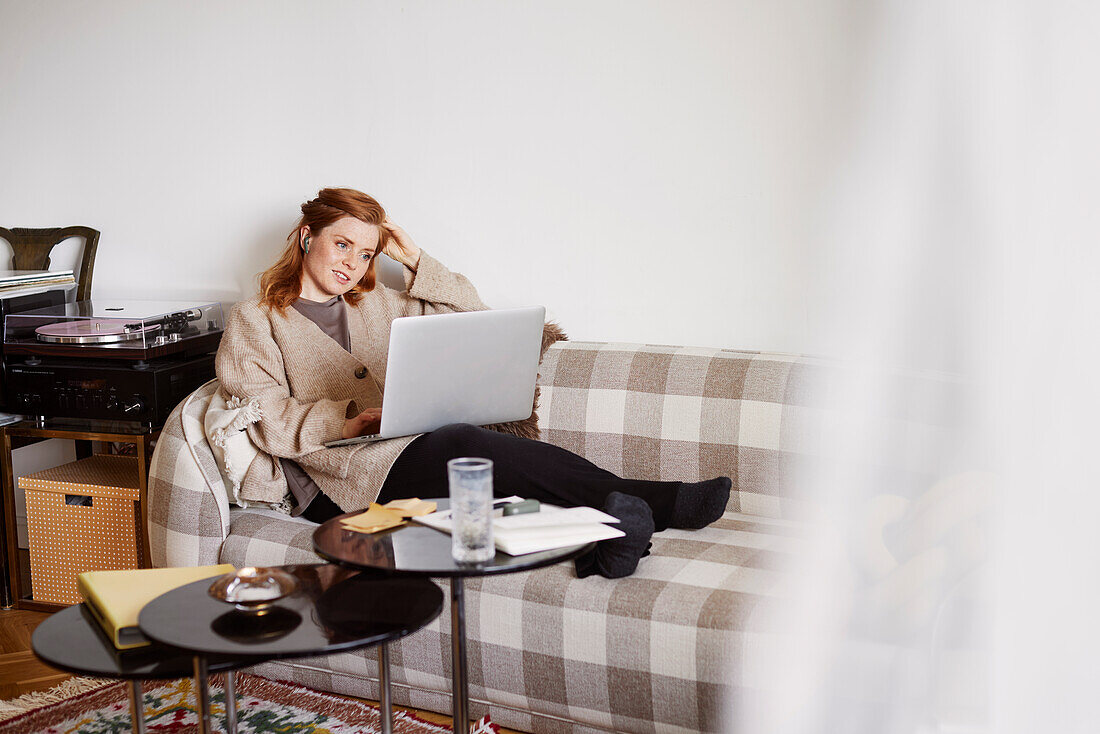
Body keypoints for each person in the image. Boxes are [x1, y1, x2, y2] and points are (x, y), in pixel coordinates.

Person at [215, 188, 731, 578]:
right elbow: (259, 410)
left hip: (402, 454)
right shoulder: (255, 319)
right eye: (342, 244)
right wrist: (346, 421)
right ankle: (661, 502)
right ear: (308, 236)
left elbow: (472, 313)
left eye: (367, 253)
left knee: (491, 494)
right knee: (463, 445)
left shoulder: (377, 303)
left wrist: (413, 257)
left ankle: (609, 546)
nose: (353, 263)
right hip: (336, 479)